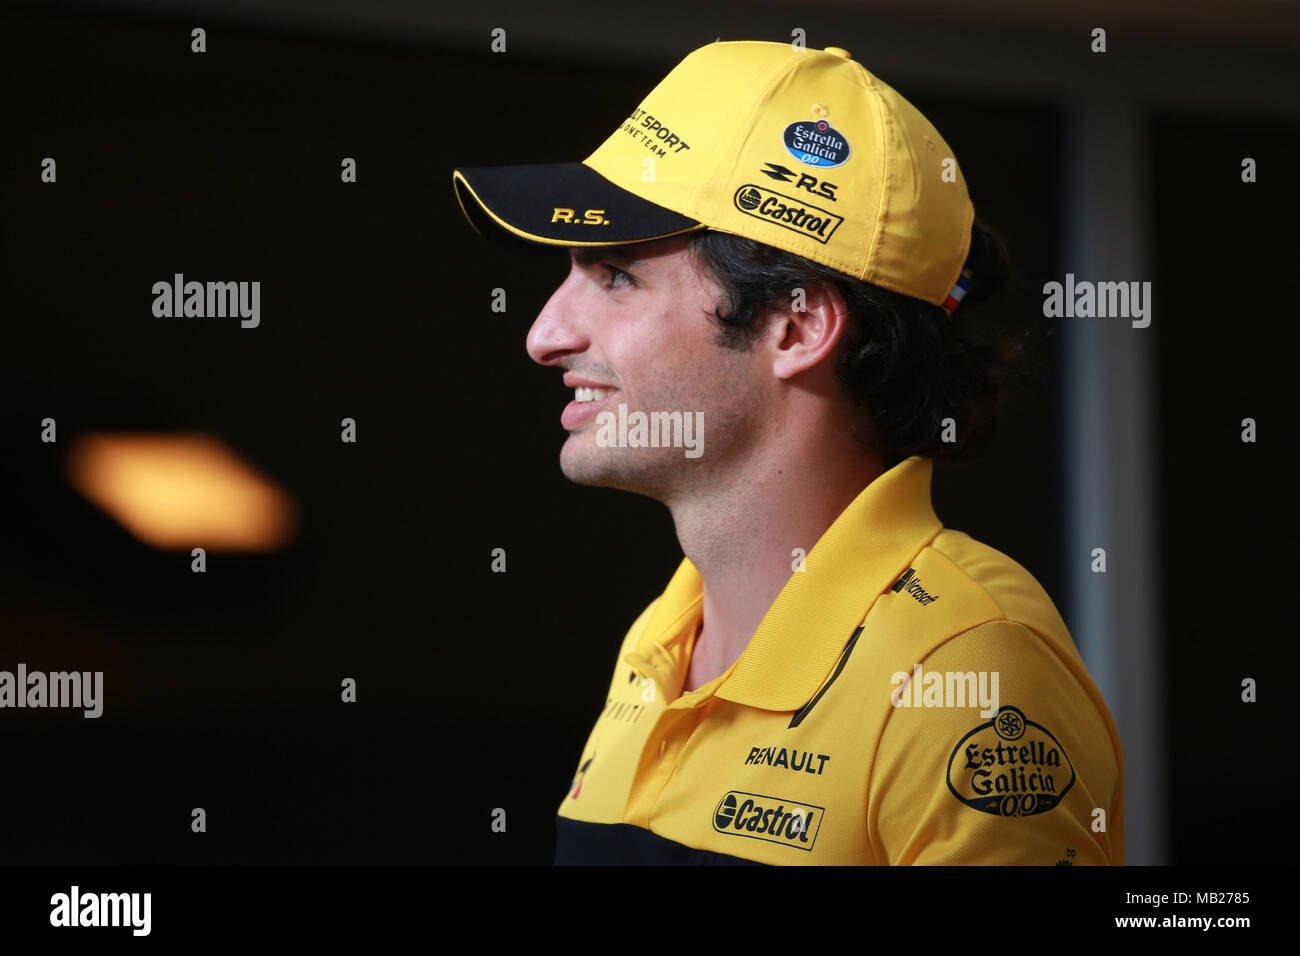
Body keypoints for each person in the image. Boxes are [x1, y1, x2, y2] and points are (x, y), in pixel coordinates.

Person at [452, 39, 1124, 865]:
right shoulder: (665, 640)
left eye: (617, 277)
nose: (544, 336)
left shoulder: (969, 670)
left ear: (796, 325)